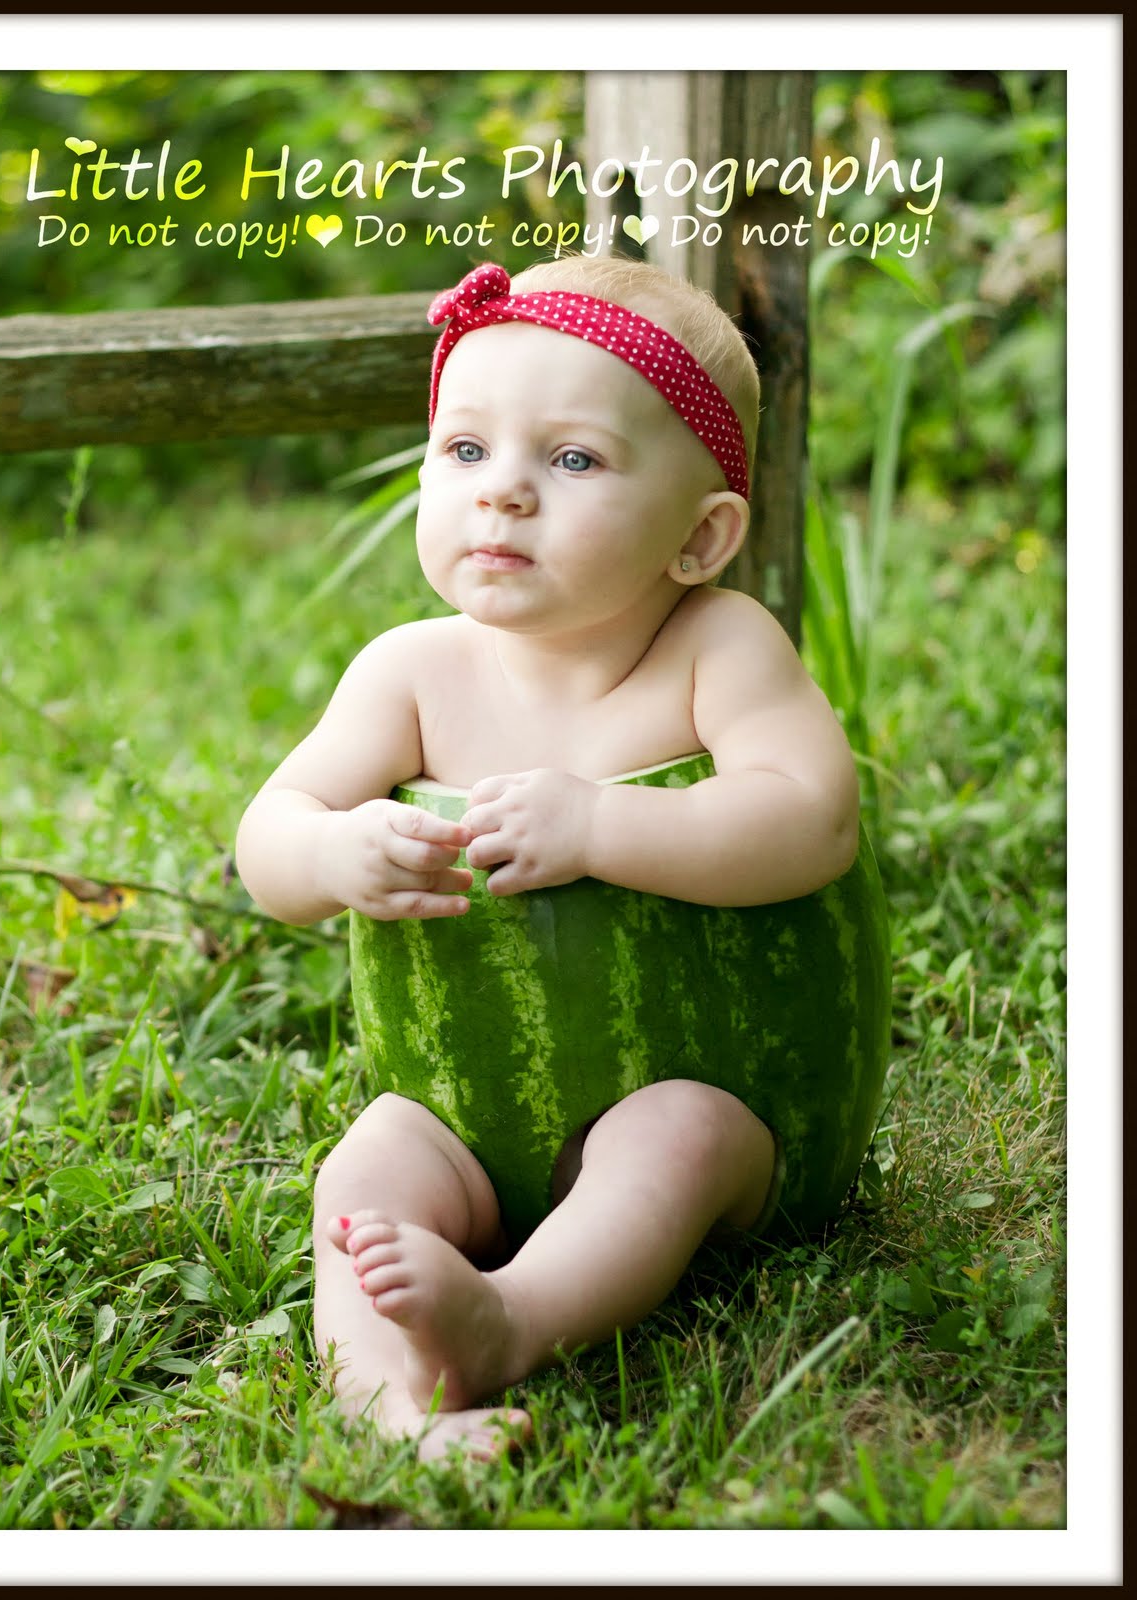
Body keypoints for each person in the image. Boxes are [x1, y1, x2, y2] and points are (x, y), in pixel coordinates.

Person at [235, 257, 859, 1460]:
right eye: (465, 450)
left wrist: (602, 827)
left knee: (670, 1134)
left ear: (701, 535)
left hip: (725, 1105)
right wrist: (333, 847)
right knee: (369, 1162)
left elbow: (810, 818)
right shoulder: (411, 671)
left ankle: (512, 1318)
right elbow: (271, 837)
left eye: (571, 460)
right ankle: (385, 1408)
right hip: (471, 1106)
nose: (503, 494)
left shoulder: (717, 647)